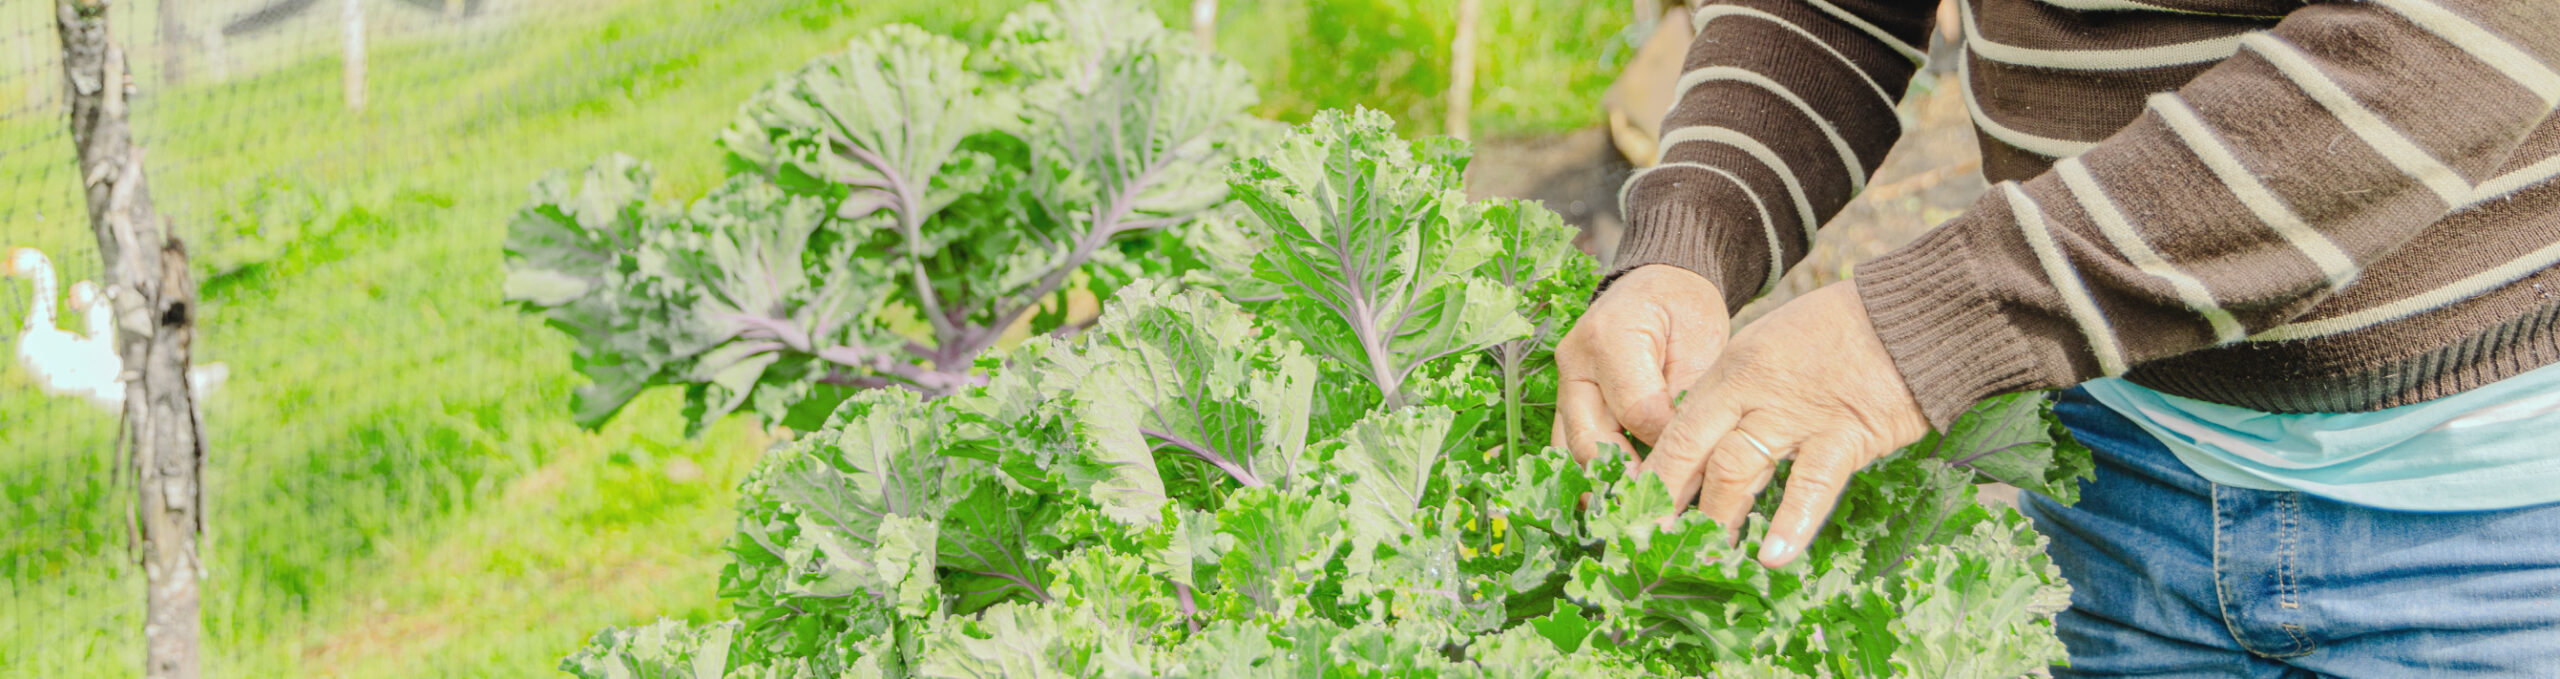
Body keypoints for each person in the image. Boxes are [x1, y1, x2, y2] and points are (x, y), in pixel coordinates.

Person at [1555, 0, 2560, 675]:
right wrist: (1695, 228)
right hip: (2113, 467)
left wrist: (1906, 334)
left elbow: (2440, 42)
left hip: (2483, 517)